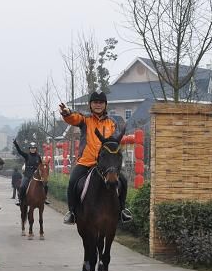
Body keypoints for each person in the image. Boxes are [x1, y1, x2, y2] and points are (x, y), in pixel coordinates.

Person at [59, 92, 131, 225]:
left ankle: (122, 210)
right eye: (95, 102)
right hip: (86, 161)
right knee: (73, 181)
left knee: (124, 181)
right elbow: (73, 118)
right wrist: (67, 113)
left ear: (105, 105)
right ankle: (72, 212)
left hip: (107, 164)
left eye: (101, 102)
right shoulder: (85, 119)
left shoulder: (112, 123)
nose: (98, 105)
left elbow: (114, 141)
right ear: (90, 105)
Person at [13, 139, 50, 206]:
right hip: (27, 175)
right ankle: (20, 199)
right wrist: (16, 144)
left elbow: (41, 165)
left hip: (36, 176)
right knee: (22, 186)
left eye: (34, 148)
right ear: (29, 149)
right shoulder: (27, 155)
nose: (33, 149)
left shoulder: (38, 156)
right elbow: (20, 151)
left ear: (36, 149)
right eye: (31, 148)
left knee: (46, 186)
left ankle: (45, 198)